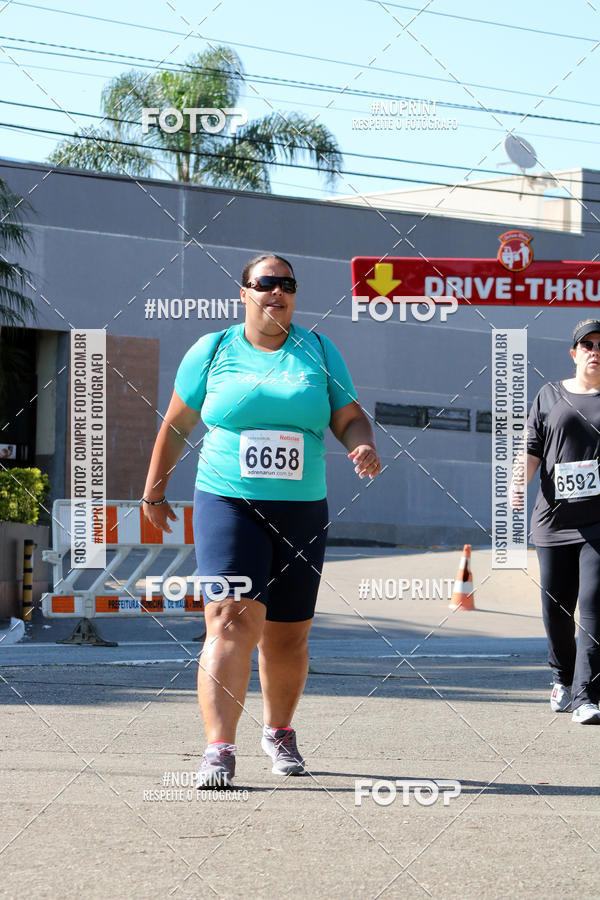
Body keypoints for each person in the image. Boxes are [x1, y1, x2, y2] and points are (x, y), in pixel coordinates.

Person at [142, 252, 381, 784]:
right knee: (230, 618)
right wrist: (154, 493)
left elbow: (348, 417)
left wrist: (361, 445)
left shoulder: (319, 350)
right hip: (228, 501)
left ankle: (279, 731)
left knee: (287, 634)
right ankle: (219, 748)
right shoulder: (213, 349)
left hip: (302, 509)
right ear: (244, 292)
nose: (279, 292)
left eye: (288, 285)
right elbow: (176, 425)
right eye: (267, 283)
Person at [510, 318, 600, 724]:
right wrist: (517, 485)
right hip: (553, 522)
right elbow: (531, 447)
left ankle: (586, 697)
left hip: (597, 524)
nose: (595, 352)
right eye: (588, 345)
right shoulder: (549, 395)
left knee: (594, 607)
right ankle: (562, 679)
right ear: (574, 353)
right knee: (556, 609)